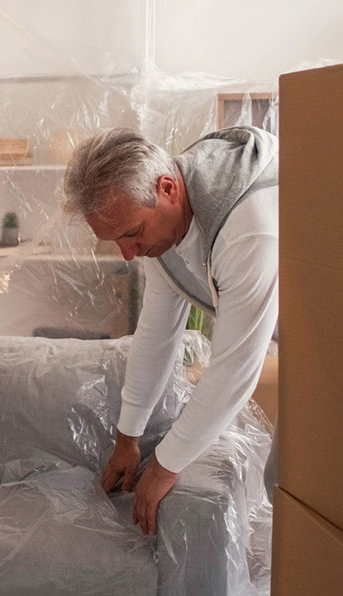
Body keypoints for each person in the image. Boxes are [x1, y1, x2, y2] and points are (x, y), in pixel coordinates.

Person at [63, 126, 278, 536]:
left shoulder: (247, 222)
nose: (128, 254)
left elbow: (234, 369)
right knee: (287, 483)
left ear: (167, 189)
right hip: (308, 337)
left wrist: (163, 468)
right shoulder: (162, 225)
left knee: (290, 483)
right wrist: (129, 436)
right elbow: (157, 333)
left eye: (132, 234)